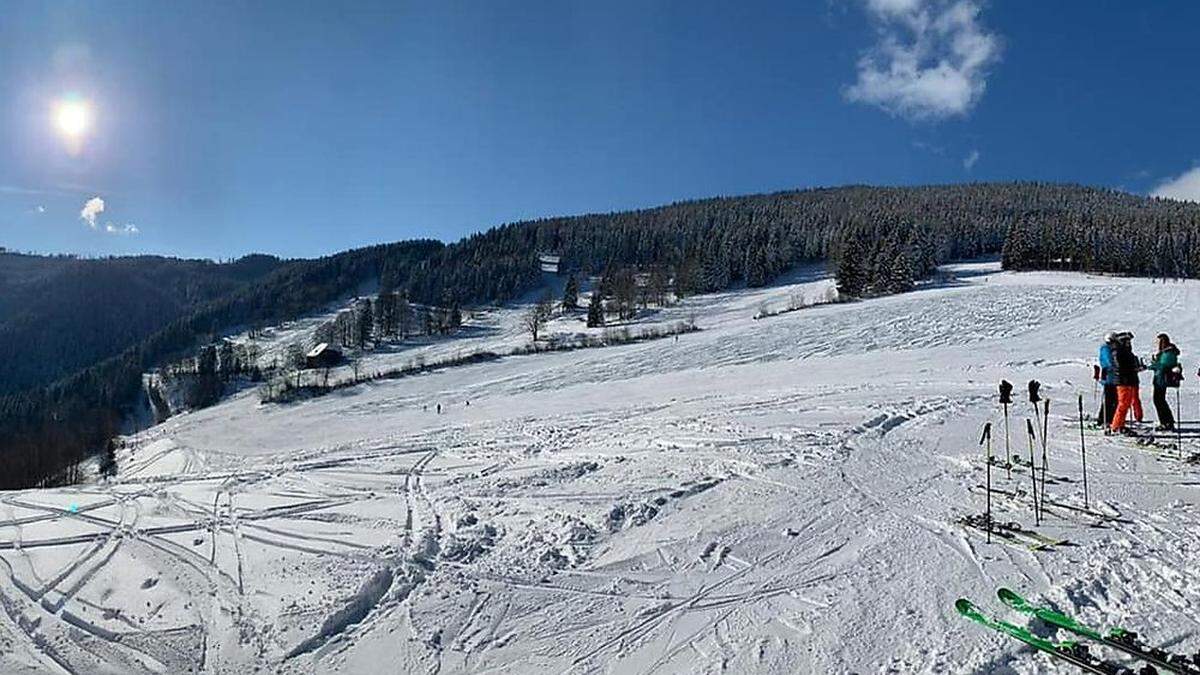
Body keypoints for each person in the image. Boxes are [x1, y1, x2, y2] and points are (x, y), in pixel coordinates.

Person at [1109, 332, 1143, 434]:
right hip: (1123, 380)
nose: (1129, 343)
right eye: (1127, 341)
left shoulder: (1126, 351)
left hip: (1128, 380)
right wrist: (1132, 369)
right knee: (1123, 404)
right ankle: (1116, 426)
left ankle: (1120, 424)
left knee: (1126, 404)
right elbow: (1120, 366)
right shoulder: (1118, 351)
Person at [1148, 333, 1180, 431]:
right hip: (1160, 378)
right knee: (1160, 400)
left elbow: (1163, 366)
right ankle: (1167, 421)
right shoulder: (1167, 352)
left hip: (1162, 378)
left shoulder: (1168, 352)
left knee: (1159, 400)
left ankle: (1166, 422)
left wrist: (1152, 365)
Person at [1097, 333, 1120, 427]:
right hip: (1109, 376)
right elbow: (1109, 362)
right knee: (1109, 399)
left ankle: (1110, 418)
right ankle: (1103, 419)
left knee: (1114, 399)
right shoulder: (1106, 349)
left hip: (1113, 377)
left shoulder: (1111, 349)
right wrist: (1117, 367)